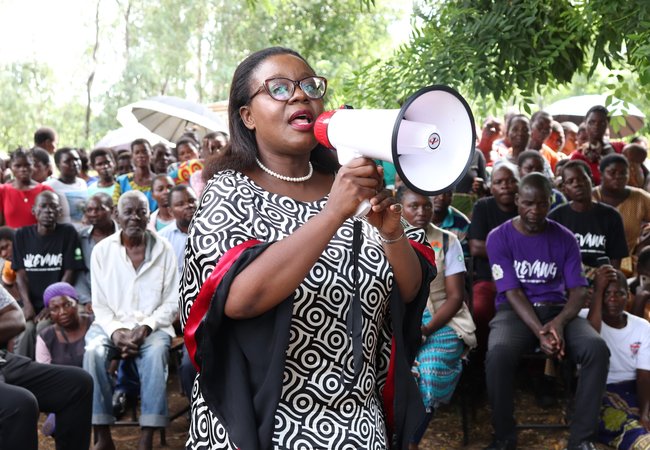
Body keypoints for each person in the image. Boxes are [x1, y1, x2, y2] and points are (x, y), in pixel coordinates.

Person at [180, 46, 436, 450]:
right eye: (278, 88)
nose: (300, 96)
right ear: (246, 115)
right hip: (265, 425)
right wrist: (333, 213)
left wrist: (391, 235)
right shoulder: (230, 191)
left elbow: (410, 289)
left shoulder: (352, 182)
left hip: (359, 426)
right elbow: (237, 299)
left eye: (309, 86)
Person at [484, 173, 609, 450]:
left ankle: (582, 438)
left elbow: (578, 290)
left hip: (557, 309)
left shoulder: (564, 238)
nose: (535, 211)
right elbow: (512, 292)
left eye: (542, 204)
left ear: (550, 202)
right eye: (528, 203)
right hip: (515, 312)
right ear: (517, 201)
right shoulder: (499, 237)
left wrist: (560, 323)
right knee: (498, 353)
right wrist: (541, 331)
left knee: (596, 349)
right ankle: (504, 435)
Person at [84, 190, 179, 450]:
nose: (135, 217)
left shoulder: (164, 248)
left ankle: (147, 437)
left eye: (141, 211)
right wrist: (116, 332)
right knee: (92, 351)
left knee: (156, 351)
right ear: (117, 215)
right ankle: (102, 434)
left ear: (150, 215)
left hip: (153, 326)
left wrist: (146, 327)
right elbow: (100, 305)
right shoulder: (102, 251)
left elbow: (172, 301)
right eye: (129, 212)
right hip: (109, 325)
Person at [397, 186, 476, 450]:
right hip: (397, 319)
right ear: (399, 208)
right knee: (393, 371)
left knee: (428, 370)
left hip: (442, 319)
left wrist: (426, 328)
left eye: (427, 206)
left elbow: (455, 298)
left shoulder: (447, 240)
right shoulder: (385, 239)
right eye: (414, 206)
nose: (422, 212)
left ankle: (411, 441)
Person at [0, 284, 93, 450]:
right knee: (20, 402)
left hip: (3, 361)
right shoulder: (48, 334)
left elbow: (15, 317)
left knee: (78, 383)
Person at [581, 266, 650, 450]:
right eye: (606, 293)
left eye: (619, 293)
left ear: (628, 295)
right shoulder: (582, 320)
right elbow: (591, 341)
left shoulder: (642, 327)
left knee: (643, 419)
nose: (612, 298)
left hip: (636, 387)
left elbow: (644, 377)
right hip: (601, 390)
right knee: (625, 426)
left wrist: (644, 414)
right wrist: (597, 292)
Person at [12, 191, 85, 358]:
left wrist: (51, 305)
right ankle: (21, 371)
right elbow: (21, 274)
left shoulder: (68, 233)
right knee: (25, 328)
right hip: (31, 301)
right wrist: (27, 304)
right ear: (34, 210)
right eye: (43, 206)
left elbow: (70, 271)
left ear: (59, 211)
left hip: (55, 304)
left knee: (42, 328)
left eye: (53, 206)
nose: (48, 211)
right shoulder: (22, 235)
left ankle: (43, 371)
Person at [468, 161, 519, 360]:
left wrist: (498, 250)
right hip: (489, 279)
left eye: (510, 181)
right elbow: (476, 247)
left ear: (519, 184)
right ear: (491, 186)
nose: (505, 186)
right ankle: (481, 360)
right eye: (499, 182)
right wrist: (519, 251)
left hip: (525, 280)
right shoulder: (483, 206)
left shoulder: (526, 205)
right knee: (480, 310)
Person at [549, 160, 628, 274]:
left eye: (582, 179)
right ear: (565, 188)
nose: (577, 184)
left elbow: (615, 262)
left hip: (602, 278)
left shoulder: (611, 216)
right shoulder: (556, 217)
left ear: (591, 180)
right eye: (570, 181)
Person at [159, 184, 198, 399]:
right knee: (189, 362)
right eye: (180, 204)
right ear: (170, 210)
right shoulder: (163, 239)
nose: (188, 206)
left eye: (191, 200)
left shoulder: (214, 228)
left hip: (209, 307)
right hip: (176, 311)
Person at [592, 153, 650, 275]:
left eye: (623, 173)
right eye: (612, 172)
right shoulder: (590, 198)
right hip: (591, 262)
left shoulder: (640, 198)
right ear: (601, 174)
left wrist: (643, 244)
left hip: (630, 263)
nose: (618, 176)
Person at [36, 281, 92, 367]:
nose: (62, 312)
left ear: (76, 303)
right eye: (55, 308)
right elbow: (44, 373)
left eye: (67, 305)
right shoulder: (45, 337)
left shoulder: (94, 324)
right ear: (49, 312)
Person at [75, 193, 117, 306]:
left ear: (112, 210)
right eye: (89, 210)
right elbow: (79, 274)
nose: (93, 214)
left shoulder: (124, 236)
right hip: (90, 300)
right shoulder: (80, 237)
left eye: (99, 209)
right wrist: (87, 300)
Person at [0, 148, 54, 228]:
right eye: (18, 166)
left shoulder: (45, 190)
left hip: (38, 239)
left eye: (27, 165)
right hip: (12, 239)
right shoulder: (3, 191)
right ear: (11, 167)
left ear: (33, 166)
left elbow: (51, 223)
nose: (23, 169)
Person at [570, 105, 615, 186]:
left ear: (607, 125)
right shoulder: (578, 157)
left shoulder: (619, 148)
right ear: (585, 124)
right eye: (592, 122)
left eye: (602, 122)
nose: (596, 126)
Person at [45, 147, 89, 227]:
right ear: (58, 165)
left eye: (77, 159)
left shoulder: (82, 183)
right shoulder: (49, 186)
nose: (74, 163)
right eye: (68, 161)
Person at [113, 139, 157, 211]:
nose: (141, 155)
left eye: (144, 152)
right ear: (132, 156)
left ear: (151, 153)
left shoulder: (158, 181)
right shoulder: (122, 181)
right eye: (137, 153)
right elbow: (116, 208)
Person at [431, 189, 470, 257]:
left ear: (452, 197)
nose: (441, 197)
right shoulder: (415, 219)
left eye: (447, 194)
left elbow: (462, 258)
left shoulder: (462, 224)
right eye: (436, 192)